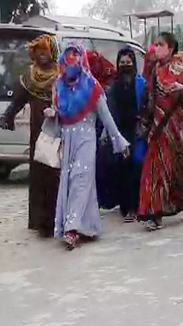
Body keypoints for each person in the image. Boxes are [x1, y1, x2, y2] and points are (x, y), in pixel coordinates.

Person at [51, 42, 130, 250]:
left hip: (86, 140)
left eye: (75, 63)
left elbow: (105, 116)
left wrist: (119, 141)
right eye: (67, 64)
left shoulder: (92, 86)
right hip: (67, 141)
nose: (71, 69)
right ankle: (85, 226)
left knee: (81, 180)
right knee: (69, 183)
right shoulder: (58, 86)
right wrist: (52, 115)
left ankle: (72, 230)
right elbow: (58, 114)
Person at [0, 35, 61, 238]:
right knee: (38, 177)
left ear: (53, 52)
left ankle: (56, 219)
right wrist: (8, 116)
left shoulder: (62, 76)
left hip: (59, 134)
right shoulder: (29, 77)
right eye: (39, 50)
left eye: (46, 50)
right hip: (37, 136)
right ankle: (39, 222)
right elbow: (18, 100)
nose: (43, 54)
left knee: (55, 177)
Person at [137, 33, 183, 231]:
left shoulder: (182, 70)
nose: (156, 48)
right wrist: (145, 125)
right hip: (158, 128)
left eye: (160, 44)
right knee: (155, 170)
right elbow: (150, 98)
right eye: (155, 44)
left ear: (171, 48)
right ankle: (155, 213)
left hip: (177, 128)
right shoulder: (154, 70)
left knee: (181, 167)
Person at [104, 48, 147, 223]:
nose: (125, 65)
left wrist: (143, 125)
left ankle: (138, 206)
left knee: (137, 167)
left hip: (138, 131)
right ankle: (126, 207)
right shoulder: (115, 86)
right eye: (122, 63)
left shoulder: (141, 83)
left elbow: (146, 106)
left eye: (128, 62)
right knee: (123, 168)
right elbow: (111, 110)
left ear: (133, 63)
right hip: (120, 132)